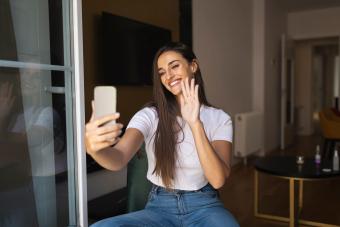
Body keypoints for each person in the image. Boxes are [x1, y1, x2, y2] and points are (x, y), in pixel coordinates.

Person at [85, 42, 239, 227]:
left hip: (205, 205)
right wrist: (94, 149)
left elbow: (217, 179)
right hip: (160, 207)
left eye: (174, 66)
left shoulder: (219, 118)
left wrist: (195, 123)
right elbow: (118, 158)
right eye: (162, 72)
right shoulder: (149, 115)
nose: (169, 76)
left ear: (193, 66)